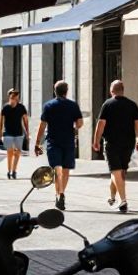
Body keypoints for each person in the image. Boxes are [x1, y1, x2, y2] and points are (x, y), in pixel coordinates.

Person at [94, 80, 138, 214]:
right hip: (128, 143)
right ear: (123, 90)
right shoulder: (132, 105)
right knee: (119, 172)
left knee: (116, 171)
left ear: (112, 91)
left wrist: (96, 141)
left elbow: (100, 125)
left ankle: (123, 201)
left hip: (112, 143)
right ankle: (112, 197)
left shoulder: (107, 105)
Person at [35, 80, 84, 210]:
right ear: (66, 91)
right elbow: (79, 123)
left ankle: (59, 194)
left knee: (58, 169)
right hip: (68, 141)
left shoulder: (48, 106)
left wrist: (37, 142)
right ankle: (61, 193)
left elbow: (42, 125)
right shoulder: (73, 106)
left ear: (54, 91)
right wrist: (73, 126)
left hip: (53, 141)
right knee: (66, 169)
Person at [0, 89, 29, 179]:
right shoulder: (5, 108)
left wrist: (27, 132)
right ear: (10, 98)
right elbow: (0, 121)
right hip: (8, 133)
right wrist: (0, 133)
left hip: (19, 132)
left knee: (18, 152)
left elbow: (25, 120)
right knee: (10, 152)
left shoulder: (21, 107)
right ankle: (9, 170)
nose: (15, 99)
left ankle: (14, 170)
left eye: (16, 98)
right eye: (13, 98)